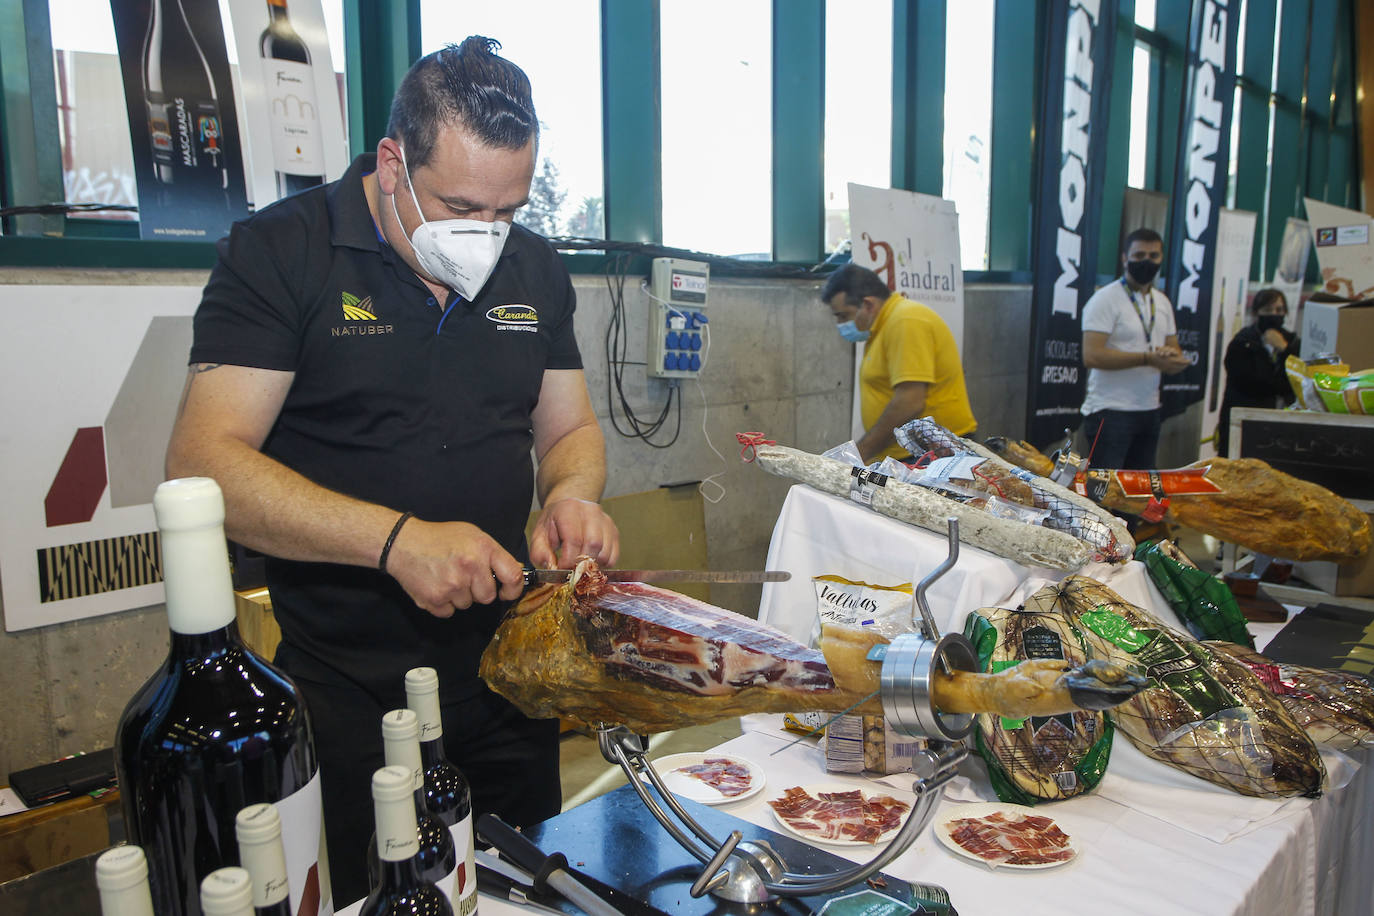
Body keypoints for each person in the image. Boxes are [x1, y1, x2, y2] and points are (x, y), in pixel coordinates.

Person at [165, 37, 619, 905]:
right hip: (348, 689)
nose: (485, 237)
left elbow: (569, 431)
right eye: (459, 206)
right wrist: (395, 543)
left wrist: (571, 498)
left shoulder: (535, 269)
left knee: (525, 889)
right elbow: (203, 467)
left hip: (509, 675)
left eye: (507, 211)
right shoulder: (282, 255)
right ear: (391, 163)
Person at [821, 263, 976, 462]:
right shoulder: (882, 326)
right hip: (909, 454)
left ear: (868, 305)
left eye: (844, 316)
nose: (841, 325)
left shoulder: (905, 321)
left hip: (935, 457)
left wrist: (860, 453)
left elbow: (909, 401)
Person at [1079, 228, 1191, 469]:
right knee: (1105, 496)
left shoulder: (1162, 301)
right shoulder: (1105, 299)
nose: (1146, 262)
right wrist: (1147, 358)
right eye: (1139, 255)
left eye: (1153, 256)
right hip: (1110, 411)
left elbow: (1175, 353)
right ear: (1124, 258)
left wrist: (1170, 358)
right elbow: (1091, 355)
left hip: (1150, 410)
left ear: (1162, 258)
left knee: (1139, 497)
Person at [1217, 288, 1299, 456]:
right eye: (1268, 310)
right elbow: (1257, 383)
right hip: (1243, 422)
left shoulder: (1292, 343)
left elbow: (1296, 381)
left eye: (1279, 310)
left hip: (1280, 429)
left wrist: (1284, 349)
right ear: (1256, 313)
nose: (1274, 314)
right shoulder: (1242, 342)